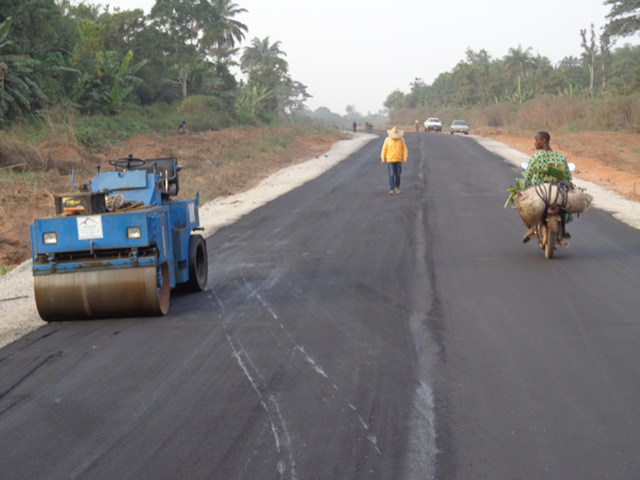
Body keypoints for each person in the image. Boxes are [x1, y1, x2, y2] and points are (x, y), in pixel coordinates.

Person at [522, 131, 572, 242]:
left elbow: (529, 176)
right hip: (557, 193)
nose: (535, 143)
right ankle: (562, 228)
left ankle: (532, 228)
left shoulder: (536, 157)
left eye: (537, 141)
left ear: (544, 141)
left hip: (539, 193)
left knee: (527, 208)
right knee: (564, 210)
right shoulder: (561, 157)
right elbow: (568, 177)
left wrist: (525, 174)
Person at [381, 126, 408, 195]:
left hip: (398, 159)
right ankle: (392, 188)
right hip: (390, 159)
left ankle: (397, 187)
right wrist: (383, 158)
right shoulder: (387, 140)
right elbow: (384, 149)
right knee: (391, 174)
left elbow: (404, 150)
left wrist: (405, 158)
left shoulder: (401, 140)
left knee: (398, 174)